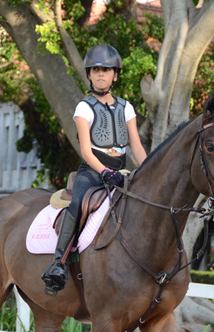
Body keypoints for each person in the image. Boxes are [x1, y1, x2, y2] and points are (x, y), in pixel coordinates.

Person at [41, 44, 147, 295]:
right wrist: (104, 173)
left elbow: (137, 147)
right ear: (89, 74)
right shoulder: (84, 108)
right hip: (92, 172)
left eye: (106, 70)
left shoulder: (127, 107)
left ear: (115, 75)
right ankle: (58, 263)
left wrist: (150, 170)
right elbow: (86, 151)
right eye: (96, 70)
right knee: (78, 203)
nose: (101, 74)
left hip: (121, 173)